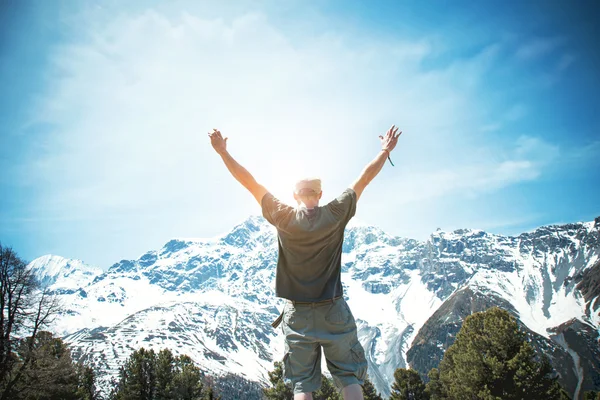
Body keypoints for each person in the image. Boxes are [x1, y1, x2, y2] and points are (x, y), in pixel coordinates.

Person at [208, 125, 402, 400]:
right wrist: (385, 150)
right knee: (348, 377)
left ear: (295, 196)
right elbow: (364, 178)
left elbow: (249, 182)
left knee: (302, 385)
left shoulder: (283, 216)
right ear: (320, 194)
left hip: (297, 315)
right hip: (333, 309)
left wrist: (223, 153)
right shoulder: (336, 212)